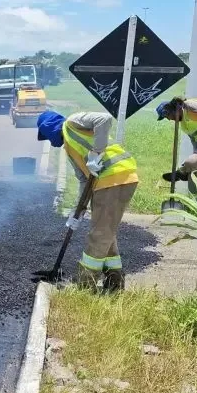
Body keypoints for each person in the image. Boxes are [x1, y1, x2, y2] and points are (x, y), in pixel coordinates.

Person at [36, 110, 138, 293]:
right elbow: (84, 180)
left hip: (115, 177)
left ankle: (86, 285)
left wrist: (96, 153)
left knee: (98, 235)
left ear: (48, 128)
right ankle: (114, 282)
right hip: (108, 181)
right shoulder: (69, 146)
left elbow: (104, 119)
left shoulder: (73, 122)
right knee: (105, 232)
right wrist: (78, 211)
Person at [156, 97, 197, 187]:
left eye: (166, 116)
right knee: (195, 168)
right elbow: (195, 141)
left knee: (191, 163)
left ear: (172, 109)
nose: (168, 119)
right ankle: (183, 173)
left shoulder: (189, 108)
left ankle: (182, 173)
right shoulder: (184, 124)